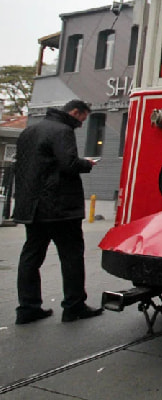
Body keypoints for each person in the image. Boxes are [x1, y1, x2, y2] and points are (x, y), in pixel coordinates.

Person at [13, 100, 104, 324]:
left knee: (31, 256)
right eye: (82, 119)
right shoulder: (63, 131)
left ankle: (28, 308)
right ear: (75, 112)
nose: (81, 125)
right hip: (59, 206)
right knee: (71, 256)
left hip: (32, 206)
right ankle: (74, 306)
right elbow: (68, 164)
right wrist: (87, 164)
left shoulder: (29, 132)